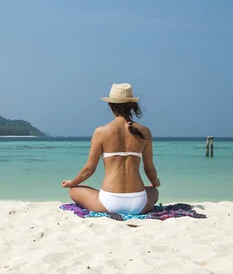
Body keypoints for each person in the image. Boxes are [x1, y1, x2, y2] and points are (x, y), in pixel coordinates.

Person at [62, 83, 160, 214]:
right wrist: (155, 182)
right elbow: (149, 168)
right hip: (138, 203)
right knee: (154, 191)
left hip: (109, 202)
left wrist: (72, 182)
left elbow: (89, 169)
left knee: (74, 190)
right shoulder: (144, 132)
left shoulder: (101, 132)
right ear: (132, 106)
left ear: (110, 105)